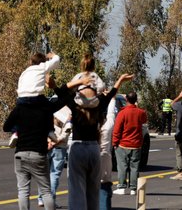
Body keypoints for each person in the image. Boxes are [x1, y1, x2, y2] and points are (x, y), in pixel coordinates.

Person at [4, 73, 89, 210]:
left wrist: (19, 127)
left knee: (23, 191)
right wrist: (61, 86)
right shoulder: (45, 108)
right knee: (46, 190)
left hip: (21, 153)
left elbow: (5, 126)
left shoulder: (20, 108)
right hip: (38, 152)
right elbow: (63, 100)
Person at [67, 71, 134, 210]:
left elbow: (62, 92)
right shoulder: (101, 113)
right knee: (94, 191)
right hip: (94, 151)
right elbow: (110, 99)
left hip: (78, 147)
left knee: (76, 190)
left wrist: (79, 82)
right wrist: (120, 79)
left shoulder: (75, 107)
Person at [10, 52, 61, 146]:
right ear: (42, 62)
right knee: (48, 108)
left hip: (21, 97)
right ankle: (50, 131)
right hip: (36, 96)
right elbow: (56, 61)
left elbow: (19, 86)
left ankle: (15, 132)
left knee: (19, 113)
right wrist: (52, 56)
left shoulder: (24, 72)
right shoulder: (42, 67)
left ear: (31, 62)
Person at [112, 91, 148, 195]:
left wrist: (114, 142)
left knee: (122, 166)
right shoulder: (141, 112)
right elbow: (144, 120)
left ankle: (122, 186)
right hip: (136, 144)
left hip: (123, 144)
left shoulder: (122, 113)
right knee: (134, 167)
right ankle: (133, 188)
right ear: (136, 100)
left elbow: (117, 129)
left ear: (126, 99)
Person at [47, 106, 72, 208]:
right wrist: (56, 142)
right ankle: (50, 200)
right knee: (54, 175)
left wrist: (49, 141)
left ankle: (41, 198)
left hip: (48, 147)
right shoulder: (68, 113)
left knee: (44, 174)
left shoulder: (52, 113)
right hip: (60, 148)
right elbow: (66, 133)